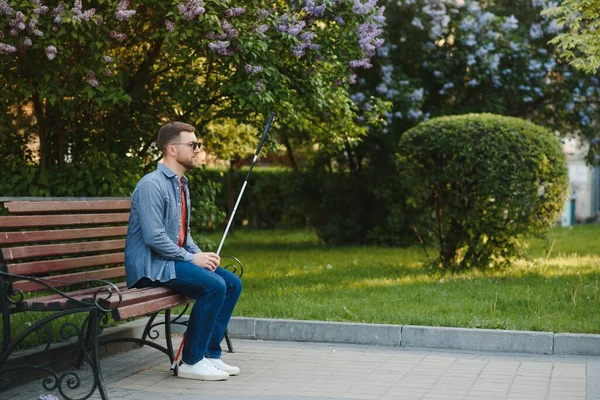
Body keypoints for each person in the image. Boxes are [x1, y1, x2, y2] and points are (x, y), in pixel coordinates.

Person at [124, 121, 242, 381]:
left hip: (171, 262)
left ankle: (209, 355)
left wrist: (202, 257)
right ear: (172, 149)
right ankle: (190, 361)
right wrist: (191, 258)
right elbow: (155, 238)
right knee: (214, 286)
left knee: (231, 283)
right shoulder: (151, 185)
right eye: (193, 145)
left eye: (197, 144)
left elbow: (182, 234)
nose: (198, 149)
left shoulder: (180, 184)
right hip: (151, 267)